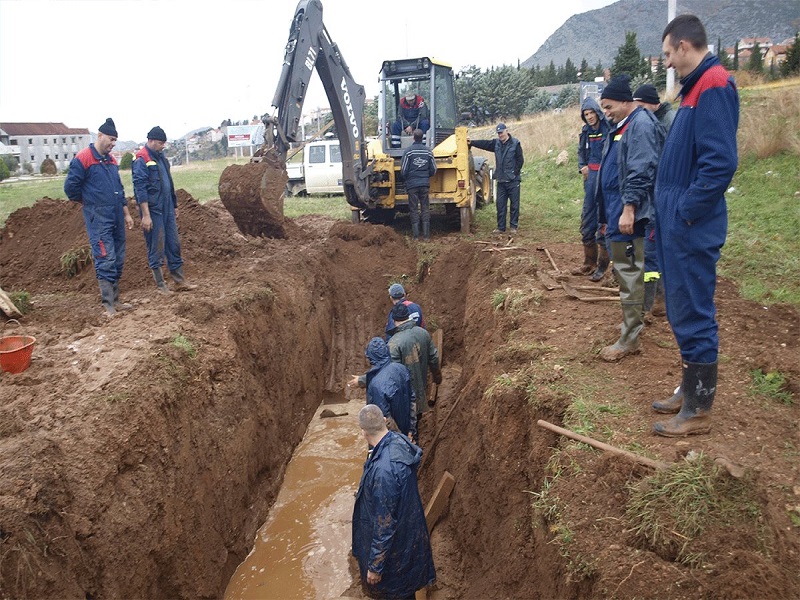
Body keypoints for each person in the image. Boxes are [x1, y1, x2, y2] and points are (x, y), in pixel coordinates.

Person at [651, 14, 739, 437]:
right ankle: (689, 390)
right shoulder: (694, 89)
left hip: (691, 223)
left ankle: (700, 409)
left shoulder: (715, 85)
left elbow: (720, 162)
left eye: (668, 53)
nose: (666, 61)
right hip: (677, 221)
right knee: (681, 307)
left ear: (685, 46)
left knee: (695, 310)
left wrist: (685, 210)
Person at [595, 75, 663, 362]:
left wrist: (629, 208)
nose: (605, 112)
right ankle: (630, 325)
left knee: (630, 273)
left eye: (609, 106)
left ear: (626, 101)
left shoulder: (641, 126)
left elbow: (641, 170)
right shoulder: (623, 125)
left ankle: (629, 338)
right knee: (626, 274)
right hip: (615, 211)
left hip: (629, 214)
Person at [351, 404, 435, 598]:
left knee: (396, 592)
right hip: (408, 534)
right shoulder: (397, 441)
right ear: (383, 422)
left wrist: (375, 566)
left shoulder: (383, 472)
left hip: (396, 550)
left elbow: (384, 524)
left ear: (363, 432)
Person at [64, 118, 134, 316]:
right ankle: (108, 304)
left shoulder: (111, 161)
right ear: (100, 135)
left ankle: (117, 300)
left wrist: (127, 213)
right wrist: (90, 202)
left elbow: (119, 189)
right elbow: (71, 188)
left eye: (115, 141)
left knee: (118, 257)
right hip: (98, 216)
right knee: (106, 256)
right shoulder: (84, 158)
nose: (113, 144)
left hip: (116, 216)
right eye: (111, 139)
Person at [132, 126, 197, 294]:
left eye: (164, 144)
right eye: (160, 143)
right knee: (157, 245)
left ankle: (179, 281)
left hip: (167, 208)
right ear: (151, 140)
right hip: (153, 210)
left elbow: (169, 183)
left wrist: (174, 205)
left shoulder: (162, 159)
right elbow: (140, 189)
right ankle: (161, 286)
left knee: (173, 244)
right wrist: (145, 215)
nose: (162, 146)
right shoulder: (142, 160)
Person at [633, 83, 675, 319]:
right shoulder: (654, 120)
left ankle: (651, 304)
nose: (638, 111)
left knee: (652, 251)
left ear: (653, 103)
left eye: (640, 106)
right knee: (654, 250)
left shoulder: (668, 122)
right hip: (654, 194)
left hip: (661, 196)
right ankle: (657, 298)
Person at [575, 97, 611, 279]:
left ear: (597, 112)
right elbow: (581, 152)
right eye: (586, 114)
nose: (589, 117)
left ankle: (603, 267)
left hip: (606, 180)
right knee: (587, 219)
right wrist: (582, 166)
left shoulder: (609, 129)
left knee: (603, 221)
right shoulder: (586, 132)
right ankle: (589, 262)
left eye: (591, 113)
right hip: (590, 180)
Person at [468, 123, 524, 234]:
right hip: (501, 180)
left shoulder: (515, 144)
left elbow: (520, 160)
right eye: (498, 133)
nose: (500, 135)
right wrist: (472, 143)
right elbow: (485, 143)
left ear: (506, 131)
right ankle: (500, 227)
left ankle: (513, 227)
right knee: (500, 205)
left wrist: (514, 172)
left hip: (513, 180)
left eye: (502, 132)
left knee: (514, 205)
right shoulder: (496, 144)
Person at [388, 303, 441, 418]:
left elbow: (393, 374)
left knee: (407, 428)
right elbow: (434, 358)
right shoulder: (423, 333)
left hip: (405, 397)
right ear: (408, 316)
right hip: (421, 390)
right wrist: (437, 378)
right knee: (416, 421)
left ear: (394, 319)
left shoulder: (394, 343)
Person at [363, 337, 417, 442]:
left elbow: (385, 420)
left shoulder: (376, 385)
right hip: (407, 429)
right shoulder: (401, 368)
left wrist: (402, 441)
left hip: (392, 442)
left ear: (370, 358)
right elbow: (413, 400)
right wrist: (411, 430)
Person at [400, 128, 437, 241]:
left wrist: (407, 178)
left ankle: (416, 236)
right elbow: (434, 169)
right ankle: (426, 236)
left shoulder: (408, 152)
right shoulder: (428, 152)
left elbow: (404, 170)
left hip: (412, 185)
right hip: (424, 184)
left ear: (413, 138)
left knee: (414, 209)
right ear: (423, 138)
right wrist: (425, 176)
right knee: (425, 208)